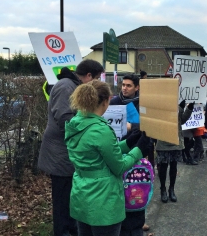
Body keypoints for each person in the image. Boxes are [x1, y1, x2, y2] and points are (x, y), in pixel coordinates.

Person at [65, 80, 151, 236]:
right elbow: (118, 166)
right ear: (105, 101)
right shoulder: (101, 129)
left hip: (81, 196)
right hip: (103, 201)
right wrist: (139, 150)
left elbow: (99, 153)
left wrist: (129, 142)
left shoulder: (75, 123)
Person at [38, 59, 104, 236]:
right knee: (62, 201)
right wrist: (89, 133)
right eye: (96, 78)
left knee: (70, 199)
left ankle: (72, 230)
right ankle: (63, 231)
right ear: (88, 76)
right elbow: (64, 118)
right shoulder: (66, 86)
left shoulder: (73, 86)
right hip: (59, 155)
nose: (97, 83)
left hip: (66, 153)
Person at [109, 73, 150, 235]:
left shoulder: (143, 103)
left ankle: (139, 219)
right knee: (122, 187)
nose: (125, 88)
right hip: (119, 150)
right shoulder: (114, 103)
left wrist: (132, 127)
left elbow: (148, 125)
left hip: (138, 149)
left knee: (138, 185)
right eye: (123, 85)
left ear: (137, 87)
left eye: (129, 86)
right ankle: (123, 221)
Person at [156, 100, 194, 203]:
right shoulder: (160, 102)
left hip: (175, 140)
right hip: (163, 140)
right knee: (163, 167)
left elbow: (182, 120)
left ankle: (171, 189)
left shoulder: (180, 102)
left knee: (174, 166)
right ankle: (163, 189)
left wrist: (189, 108)